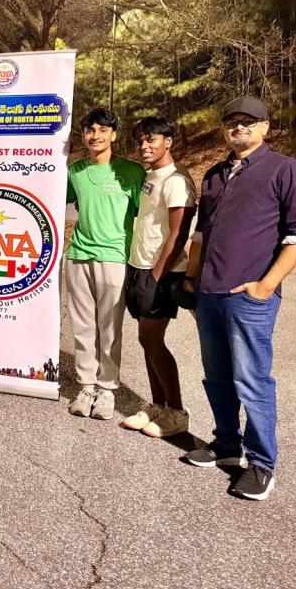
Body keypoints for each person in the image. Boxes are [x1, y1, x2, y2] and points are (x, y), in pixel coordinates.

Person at [182, 96, 296, 501]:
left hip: (249, 296)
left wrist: (265, 286)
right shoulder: (215, 174)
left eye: (249, 120)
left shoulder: (284, 169)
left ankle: (262, 464)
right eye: (232, 121)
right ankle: (227, 445)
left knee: (251, 379)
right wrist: (192, 280)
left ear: (265, 127)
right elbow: (201, 234)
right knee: (216, 375)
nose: (239, 127)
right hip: (209, 293)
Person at [64, 107, 145, 421]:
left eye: (102, 130)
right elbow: (55, 199)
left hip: (114, 258)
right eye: (89, 130)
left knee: (109, 328)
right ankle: (86, 387)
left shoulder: (132, 171)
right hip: (78, 255)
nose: (95, 136)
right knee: (83, 327)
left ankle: (107, 389)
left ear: (113, 134)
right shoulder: (75, 170)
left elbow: (146, 216)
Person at [120, 117, 196, 438]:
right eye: (140, 140)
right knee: (145, 340)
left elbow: (179, 234)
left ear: (169, 141)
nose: (144, 146)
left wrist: (156, 274)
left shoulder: (177, 180)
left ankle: (177, 412)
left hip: (161, 272)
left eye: (151, 139)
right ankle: (157, 405)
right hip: (139, 266)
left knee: (153, 340)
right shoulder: (150, 175)